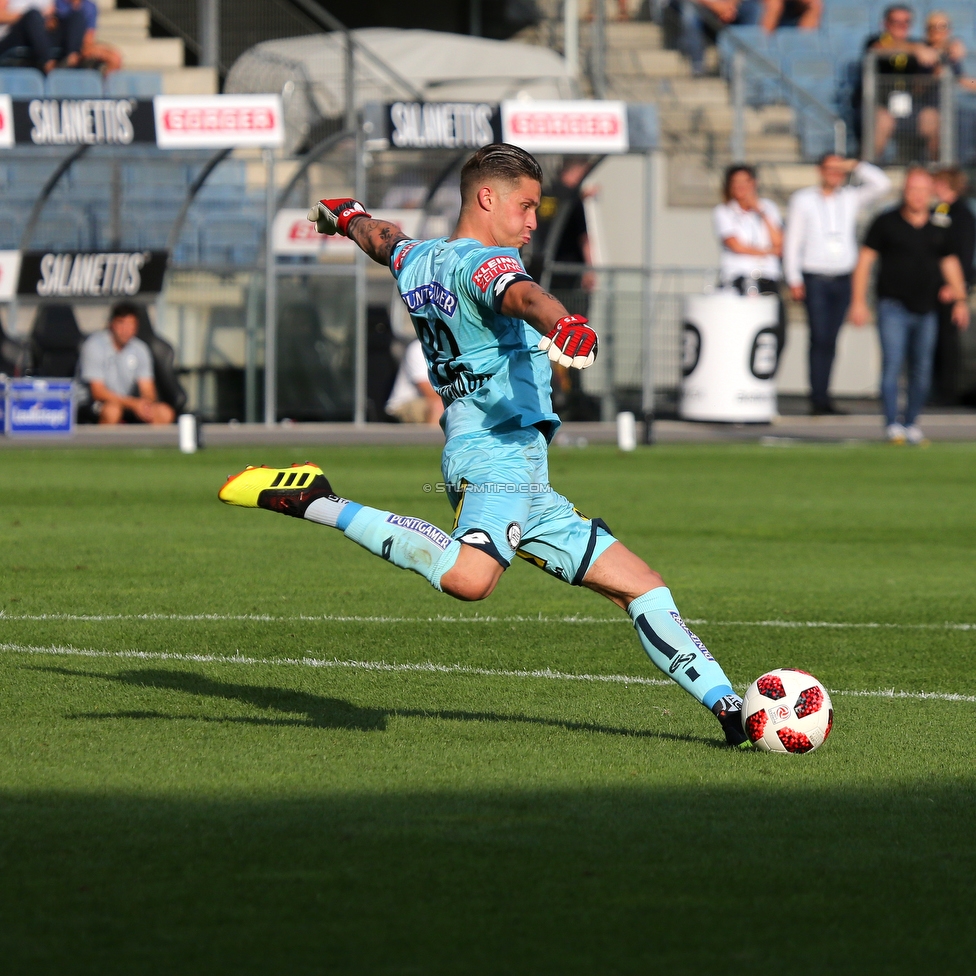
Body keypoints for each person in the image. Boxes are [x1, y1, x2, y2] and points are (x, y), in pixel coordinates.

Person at [218, 143, 752, 748]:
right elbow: (523, 297)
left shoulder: (418, 259)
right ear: (487, 197)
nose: (532, 222)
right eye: (525, 206)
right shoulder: (485, 265)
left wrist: (347, 217)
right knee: (471, 579)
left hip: (521, 470)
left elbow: (382, 238)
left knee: (642, 585)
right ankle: (316, 499)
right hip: (494, 454)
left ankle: (732, 712)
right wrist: (564, 324)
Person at [850, 167, 970, 444]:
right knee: (893, 364)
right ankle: (892, 423)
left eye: (922, 191)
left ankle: (912, 422)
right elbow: (865, 261)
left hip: (926, 308)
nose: (917, 196)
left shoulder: (940, 225)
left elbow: (950, 262)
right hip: (893, 305)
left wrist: (960, 298)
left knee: (922, 369)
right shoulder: (886, 222)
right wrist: (858, 301)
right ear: (905, 192)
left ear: (931, 194)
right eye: (912, 190)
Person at [783, 154, 892, 415]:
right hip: (815, 277)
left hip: (843, 277)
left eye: (838, 169)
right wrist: (793, 277)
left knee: (831, 339)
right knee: (819, 337)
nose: (835, 174)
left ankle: (824, 396)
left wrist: (855, 165)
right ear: (819, 171)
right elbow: (793, 240)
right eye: (830, 169)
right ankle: (817, 397)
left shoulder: (850, 197)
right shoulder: (803, 199)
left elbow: (882, 184)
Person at [713, 163, 786, 357]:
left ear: (754, 183)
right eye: (735, 183)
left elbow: (780, 241)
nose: (740, 187)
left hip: (767, 278)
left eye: (745, 182)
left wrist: (760, 212)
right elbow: (735, 245)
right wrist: (768, 251)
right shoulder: (724, 211)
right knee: (740, 332)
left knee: (774, 333)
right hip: (739, 278)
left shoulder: (767, 207)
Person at [862, 5, 941, 162]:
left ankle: (936, 171)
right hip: (881, 106)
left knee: (932, 118)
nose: (901, 26)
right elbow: (878, 49)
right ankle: (867, 169)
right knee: (883, 121)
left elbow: (936, 54)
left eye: (906, 22)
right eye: (895, 22)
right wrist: (915, 50)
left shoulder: (917, 44)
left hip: (911, 107)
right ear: (886, 24)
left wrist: (952, 48)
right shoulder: (876, 41)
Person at [79, 301, 175, 425]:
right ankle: (104, 444)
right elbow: (98, 392)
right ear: (111, 324)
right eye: (121, 323)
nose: (126, 330)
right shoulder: (94, 346)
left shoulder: (140, 349)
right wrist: (133, 404)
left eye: (131, 325)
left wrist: (145, 405)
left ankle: (147, 445)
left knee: (164, 413)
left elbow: (148, 388)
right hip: (92, 403)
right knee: (112, 411)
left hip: (126, 403)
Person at [929, 167, 975, 405]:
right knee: (932, 341)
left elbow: (964, 255)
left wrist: (958, 288)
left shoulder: (962, 214)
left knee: (947, 343)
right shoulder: (937, 210)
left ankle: (946, 393)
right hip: (931, 287)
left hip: (951, 288)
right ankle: (933, 388)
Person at [385, 338, 444, 426]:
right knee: (439, 405)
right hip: (405, 403)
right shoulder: (419, 347)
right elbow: (428, 392)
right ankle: (431, 439)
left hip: (441, 398)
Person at [54, 0, 121, 73]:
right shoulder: (55, 4)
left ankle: (102, 83)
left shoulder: (90, 7)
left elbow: (89, 38)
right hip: (61, 47)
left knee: (114, 58)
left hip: (81, 48)